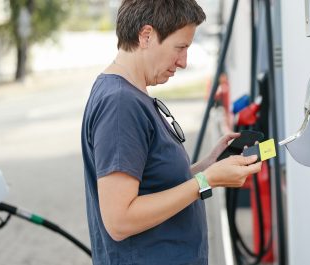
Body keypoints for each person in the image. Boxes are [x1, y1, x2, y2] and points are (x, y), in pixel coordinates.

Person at [81, 0, 262, 264]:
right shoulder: (120, 104)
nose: (184, 62)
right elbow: (120, 220)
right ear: (146, 36)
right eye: (180, 47)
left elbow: (152, 185)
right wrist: (205, 181)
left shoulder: (130, 95)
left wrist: (205, 167)